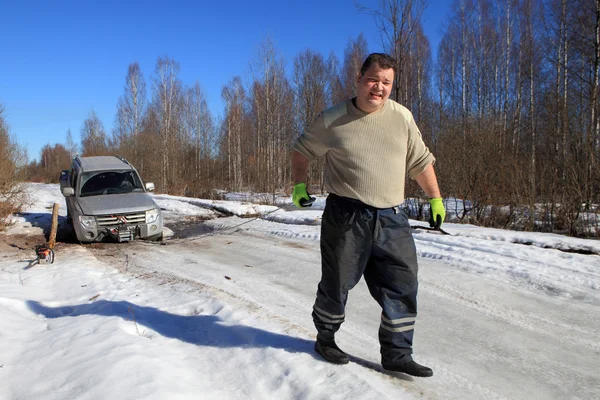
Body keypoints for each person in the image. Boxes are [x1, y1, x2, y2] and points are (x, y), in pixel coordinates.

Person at [290, 53, 445, 378]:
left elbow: (420, 161)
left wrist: (436, 199)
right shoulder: (333, 119)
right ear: (359, 79)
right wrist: (299, 186)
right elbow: (302, 150)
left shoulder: (402, 117)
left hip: (391, 218)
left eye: (386, 82)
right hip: (346, 216)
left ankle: (398, 354)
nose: (379, 87)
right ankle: (326, 338)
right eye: (374, 79)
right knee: (338, 282)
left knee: (402, 282)